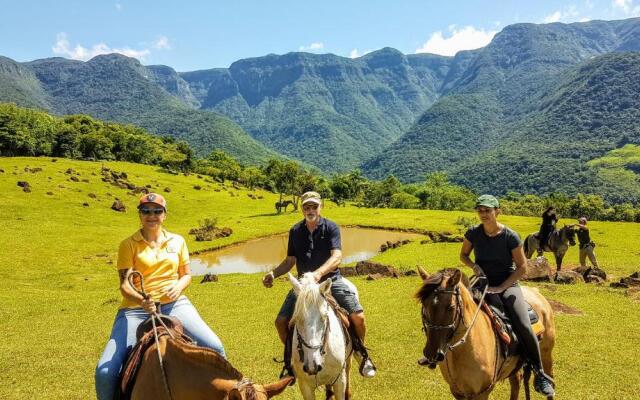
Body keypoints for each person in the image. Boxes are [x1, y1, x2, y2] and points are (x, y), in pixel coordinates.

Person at [95, 193, 226, 400]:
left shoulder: (178, 241)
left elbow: (186, 275)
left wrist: (178, 286)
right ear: (140, 215)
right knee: (104, 372)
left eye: (157, 211)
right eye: (146, 211)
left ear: (164, 215)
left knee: (215, 346)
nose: (151, 215)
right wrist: (141, 300)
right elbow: (125, 284)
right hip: (135, 309)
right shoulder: (128, 245)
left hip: (175, 304)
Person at [262, 191, 377, 378]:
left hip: (330, 282)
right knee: (281, 322)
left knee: (358, 317)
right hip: (304, 286)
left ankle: (361, 353)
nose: (310, 210)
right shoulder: (295, 231)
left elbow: (337, 256)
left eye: (314, 206)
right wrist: (273, 273)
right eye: (307, 207)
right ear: (302, 209)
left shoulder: (331, 227)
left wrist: (319, 274)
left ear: (320, 207)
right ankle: (291, 360)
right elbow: (290, 260)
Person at [460, 194, 555, 397]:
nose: (483, 214)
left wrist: (502, 287)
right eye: (480, 210)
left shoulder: (510, 236)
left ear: (497, 211)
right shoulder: (473, 233)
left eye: (487, 210)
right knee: (458, 311)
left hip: (508, 283)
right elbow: (463, 255)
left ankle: (540, 373)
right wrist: (474, 266)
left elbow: (522, 268)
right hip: (482, 282)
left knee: (522, 322)